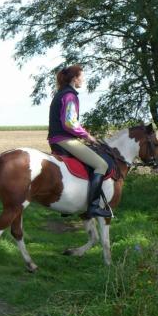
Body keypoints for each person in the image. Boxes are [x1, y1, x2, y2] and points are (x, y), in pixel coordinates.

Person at [47, 65, 112, 218]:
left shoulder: (60, 94)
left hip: (56, 139)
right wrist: (87, 136)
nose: (83, 79)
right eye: (82, 76)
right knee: (101, 165)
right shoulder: (70, 96)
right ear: (74, 78)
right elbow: (70, 123)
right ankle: (93, 207)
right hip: (65, 140)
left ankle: (68, 205)